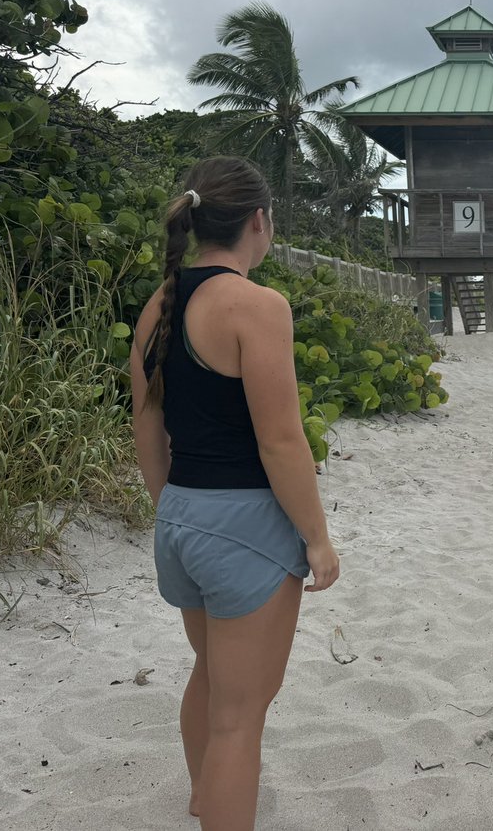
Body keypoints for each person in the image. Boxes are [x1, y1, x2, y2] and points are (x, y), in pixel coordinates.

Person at [129, 156, 340, 829]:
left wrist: (170, 507)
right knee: (240, 722)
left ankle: (204, 798)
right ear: (259, 221)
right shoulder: (257, 306)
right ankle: (219, 803)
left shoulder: (159, 304)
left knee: (213, 680)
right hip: (245, 526)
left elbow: (147, 421)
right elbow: (281, 442)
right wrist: (317, 538)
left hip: (182, 517)